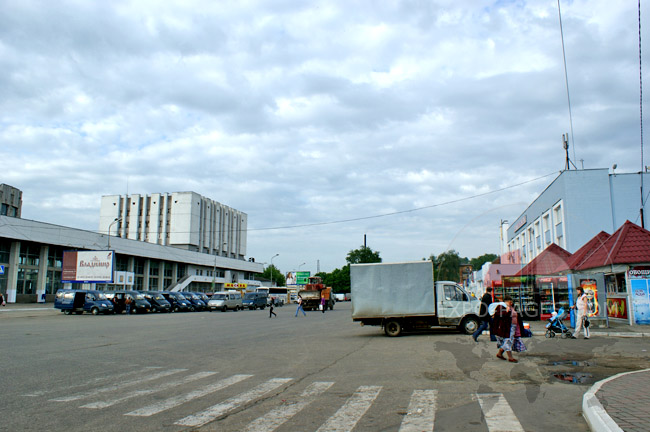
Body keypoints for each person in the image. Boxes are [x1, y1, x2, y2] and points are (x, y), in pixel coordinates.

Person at [493, 295, 527, 363]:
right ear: (507, 301)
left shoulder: (511, 307)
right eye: (510, 302)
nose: (511, 303)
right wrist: (507, 311)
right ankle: (510, 357)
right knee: (508, 340)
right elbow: (501, 316)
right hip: (507, 327)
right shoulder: (502, 307)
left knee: (509, 340)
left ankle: (500, 353)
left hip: (513, 326)